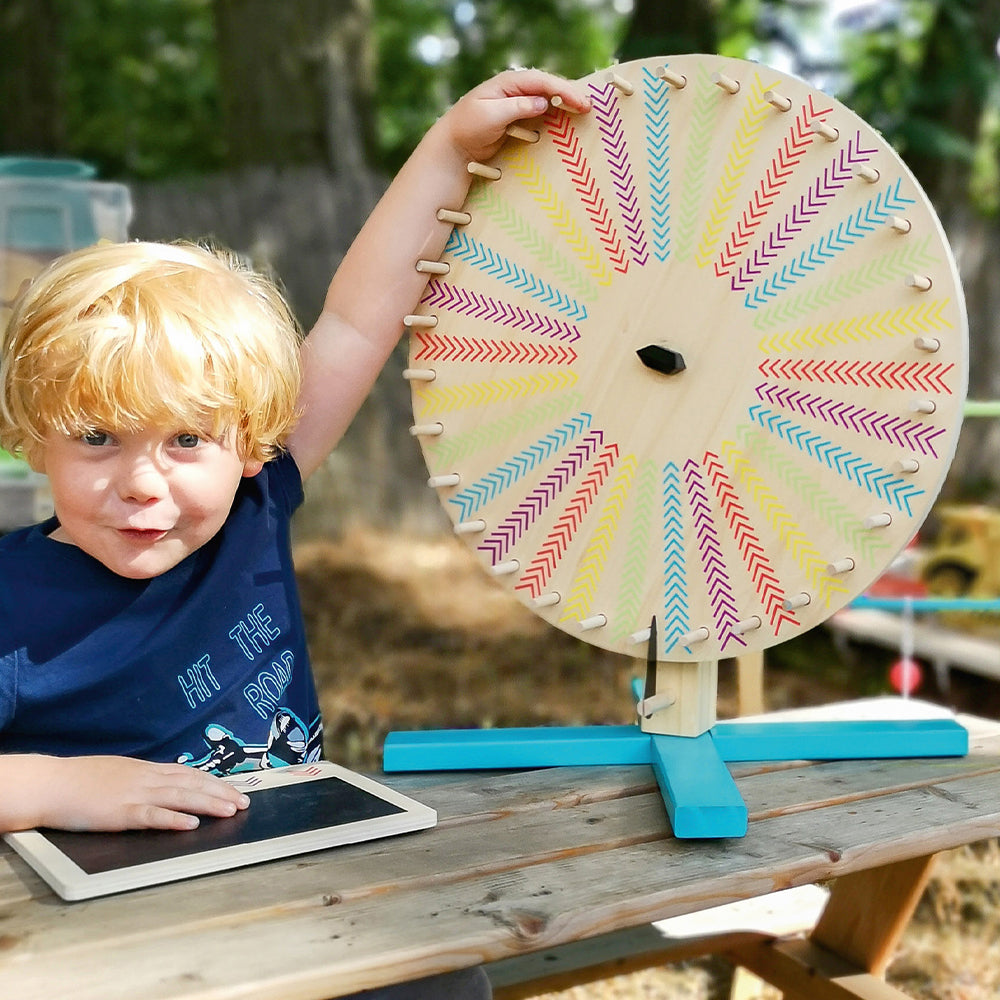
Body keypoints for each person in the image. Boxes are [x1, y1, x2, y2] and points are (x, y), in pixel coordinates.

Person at [0, 69, 591, 1000]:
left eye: (186, 439)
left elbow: (359, 320)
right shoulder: (10, 596)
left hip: (303, 884)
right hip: (109, 931)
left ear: (247, 441)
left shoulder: (251, 508)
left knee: (444, 984)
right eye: (97, 436)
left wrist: (447, 152)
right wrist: (56, 789)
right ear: (34, 438)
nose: (142, 483)